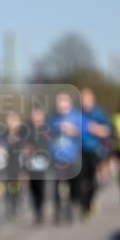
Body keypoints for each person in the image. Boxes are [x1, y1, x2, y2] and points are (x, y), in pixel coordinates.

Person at [47, 92, 83, 223]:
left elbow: (84, 133)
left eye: (63, 102)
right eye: (58, 102)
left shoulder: (77, 116)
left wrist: (73, 131)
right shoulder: (52, 118)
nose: (60, 105)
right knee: (56, 186)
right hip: (56, 157)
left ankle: (72, 209)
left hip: (72, 156)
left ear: (69, 103)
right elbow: (47, 134)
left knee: (73, 185)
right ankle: (57, 212)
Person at [79, 87, 111, 217]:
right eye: (81, 98)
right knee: (80, 180)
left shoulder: (99, 113)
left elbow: (107, 131)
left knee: (91, 180)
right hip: (78, 151)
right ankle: (83, 203)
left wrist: (94, 129)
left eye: (86, 98)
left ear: (92, 99)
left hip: (94, 150)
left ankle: (89, 201)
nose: (83, 101)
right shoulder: (77, 113)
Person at [23, 106, 50, 224]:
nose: (36, 118)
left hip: (44, 164)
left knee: (42, 188)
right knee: (32, 188)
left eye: (38, 115)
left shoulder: (48, 129)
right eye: (34, 115)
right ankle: (36, 211)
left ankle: (41, 209)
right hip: (31, 164)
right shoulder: (26, 129)